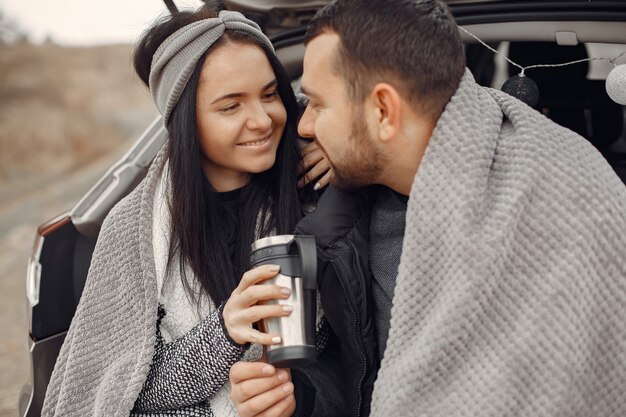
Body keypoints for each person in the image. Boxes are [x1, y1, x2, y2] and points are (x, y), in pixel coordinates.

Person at [229, 0, 626, 416]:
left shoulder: (567, 208)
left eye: (318, 104)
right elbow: (360, 375)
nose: (305, 126)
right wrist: (299, 396)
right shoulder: (349, 207)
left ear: (383, 112)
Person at [41, 5, 331, 417]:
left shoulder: (316, 189)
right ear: (184, 121)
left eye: (269, 95)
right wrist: (225, 333)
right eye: (231, 107)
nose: (262, 120)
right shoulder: (136, 229)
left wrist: (346, 152)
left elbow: (357, 347)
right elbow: (126, 396)